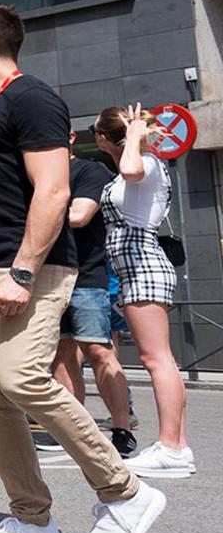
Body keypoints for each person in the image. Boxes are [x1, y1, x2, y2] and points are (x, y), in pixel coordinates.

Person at [0, 0, 161, 533]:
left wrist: (23, 270)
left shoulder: (31, 98)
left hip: (28, 269)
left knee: (22, 378)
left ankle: (125, 493)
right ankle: (31, 521)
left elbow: (54, 191)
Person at [93, 105, 193, 477]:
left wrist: (134, 137)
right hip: (135, 267)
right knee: (159, 359)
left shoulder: (145, 164)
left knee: (157, 360)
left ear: (105, 137)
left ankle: (171, 445)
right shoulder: (135, 165)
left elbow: (131, 169)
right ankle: (176, 446)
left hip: (144, 265)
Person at [53, 131, 136, 458]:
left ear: (70, 136)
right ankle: (75, 430)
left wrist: (35, 210)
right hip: (48, 276)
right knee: (61, 354)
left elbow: (79, 216)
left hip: (86, 276)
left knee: (98, 351)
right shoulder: (34, 175)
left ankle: (122, 430)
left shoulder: (90, 171)